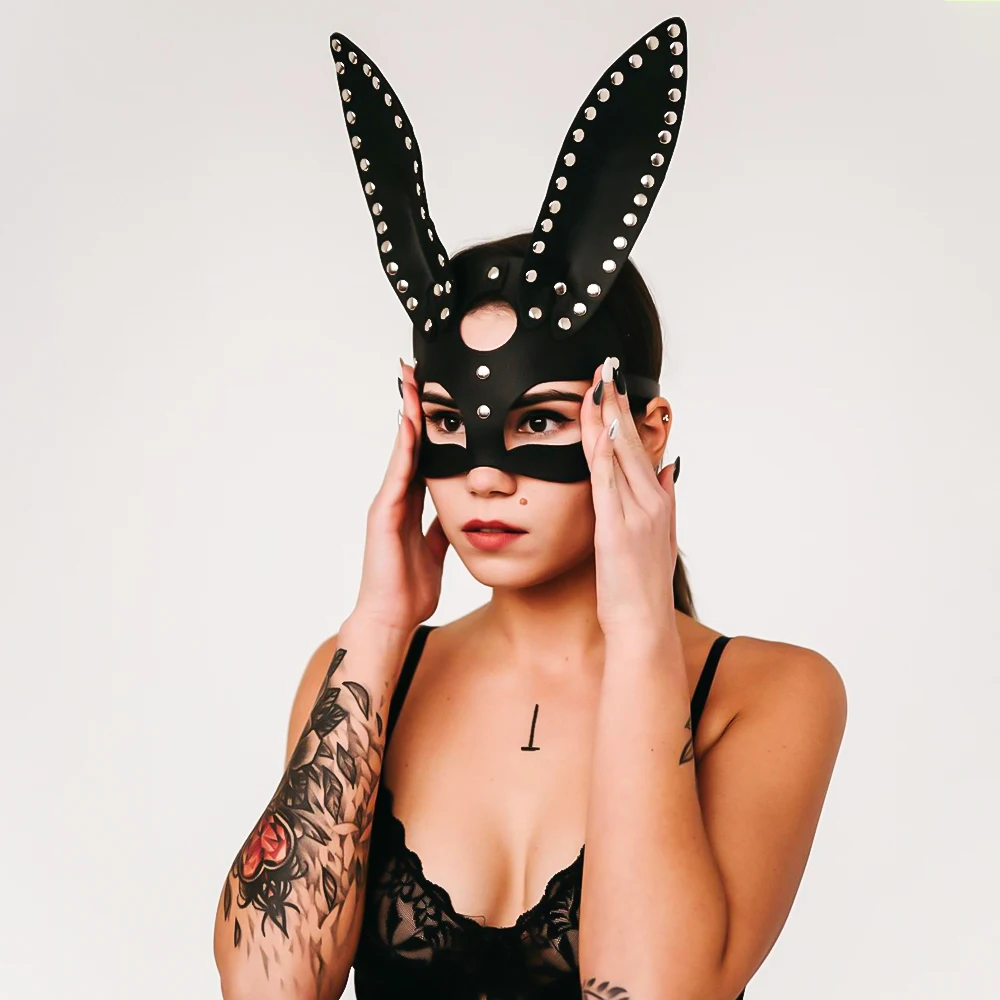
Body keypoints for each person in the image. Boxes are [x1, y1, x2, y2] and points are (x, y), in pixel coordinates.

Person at [213, 18, 847, 1000]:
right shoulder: (363, 677)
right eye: (447, 423)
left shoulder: (769, 694)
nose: (485, 476)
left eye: (540, 419)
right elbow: (266, 987)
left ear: (644, 430)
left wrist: (640, 632)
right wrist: (379, 625)